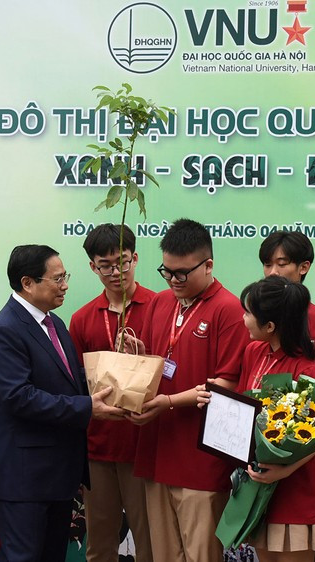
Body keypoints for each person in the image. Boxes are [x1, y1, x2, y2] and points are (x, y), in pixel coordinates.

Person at [0, 244, 125, 562]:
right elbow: (20, 398)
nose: (65, 285)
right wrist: (87, 408)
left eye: (65, 276)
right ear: (27, 283)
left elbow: (70, 381)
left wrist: (117, 377)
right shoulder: (4, 331)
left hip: (58, 473)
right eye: (57, 279)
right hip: (23, 477)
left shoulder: (54, 323)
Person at [123, 218, 248, 562]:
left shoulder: (229, 309)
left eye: (182, 273)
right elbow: (156, 363)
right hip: (158, 447)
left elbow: (228, 383)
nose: (174, 280)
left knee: (200, 553)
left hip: (200, 458)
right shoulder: (161, 302)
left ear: (208, 265)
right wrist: (136, 358)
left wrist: (169, 401)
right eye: (167, 271)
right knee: (163, 553)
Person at [198, 276, 315, 562]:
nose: (243, 319)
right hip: (257, 484)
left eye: (248, 313)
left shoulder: (308, 368)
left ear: (270, 326)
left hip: (296, 489)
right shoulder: (254, 352)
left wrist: (284, 471)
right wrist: (215, 403)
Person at [68, 224, 154, 562]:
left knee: (150, 541)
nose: (116, 272)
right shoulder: (82, 318)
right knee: (100, 542)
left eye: (123, 262)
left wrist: (144, 357)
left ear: (136, 258)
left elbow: (173, 370)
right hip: (98, 446)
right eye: (106, 266)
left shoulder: (160, 307)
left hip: (144, 445)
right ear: (93, 267)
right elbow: (75, 381)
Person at [258, 230, 315, 342]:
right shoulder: (254, 317)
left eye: (281, 264)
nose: (273, 272)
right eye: (268, 265)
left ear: (304, 267)